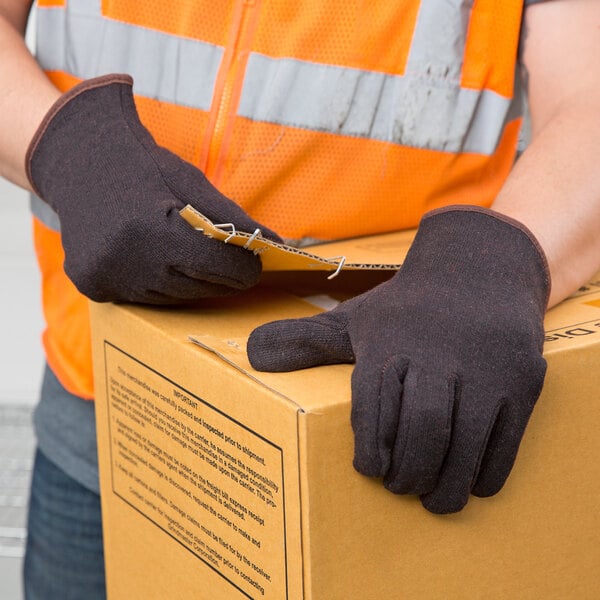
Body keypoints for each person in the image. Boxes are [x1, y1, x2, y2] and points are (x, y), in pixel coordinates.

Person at [1, 0, 599, 598]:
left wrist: (494, 266)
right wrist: (69, 151)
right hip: (107, 398)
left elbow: (587, 95)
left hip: (382, 414)